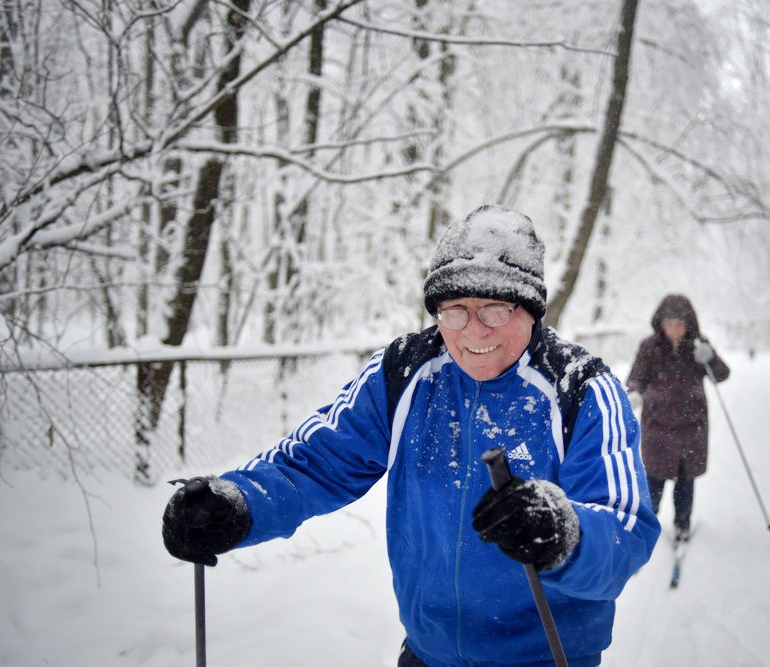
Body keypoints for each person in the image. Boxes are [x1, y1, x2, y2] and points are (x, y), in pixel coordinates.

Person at [162, 204, 660, 667]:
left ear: (530, 310)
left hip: (546, 657)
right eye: (454, 310)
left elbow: (626, 528)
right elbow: (312, 464)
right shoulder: (404, 373)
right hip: (427, 655)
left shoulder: (582, 389)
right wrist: (239, 504)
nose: (473, 330)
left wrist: (563, 531)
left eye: (495, 309)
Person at [625, 294, 729, 543]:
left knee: (685, 482)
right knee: (653, 482)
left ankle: (682, 526)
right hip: (657, 427)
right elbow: (635, 378)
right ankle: (645, 529)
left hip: (691, 428)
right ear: (660, 323)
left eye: (680, 324)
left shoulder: (697, 345)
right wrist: (635, 394)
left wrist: (710, 357)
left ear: (689, 323)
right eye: (669, 324)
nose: (674, 330)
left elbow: (722, 374)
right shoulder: (649, 347)